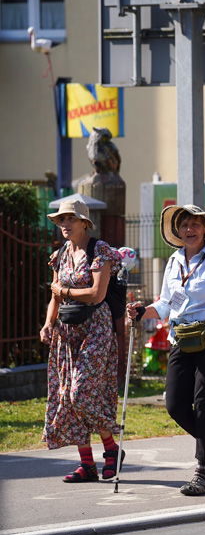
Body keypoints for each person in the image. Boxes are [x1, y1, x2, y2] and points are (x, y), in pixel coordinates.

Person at [127, 205, 205, 495]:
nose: (190, 229)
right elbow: (166, 303)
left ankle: (203, 470)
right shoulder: (174, 262)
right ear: (177, 231)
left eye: (195, 224)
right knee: (175, 405)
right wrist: (142, 311)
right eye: (184, 225)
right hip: (181, 337)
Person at [40, 199, 123, 482]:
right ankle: (87, 464)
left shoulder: (100, 251)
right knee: (66, 394)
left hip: (95, 328)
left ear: (84, 223)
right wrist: (48, 323)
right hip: (67, 330)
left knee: (82, 392)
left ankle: (112, 449)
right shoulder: (60, 254)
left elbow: (97, 294)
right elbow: (54, 296)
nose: (64, 224)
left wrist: (64, 290)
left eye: (70, 219)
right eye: (61, 219)